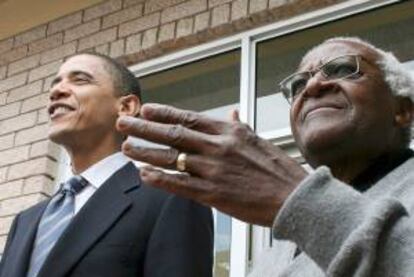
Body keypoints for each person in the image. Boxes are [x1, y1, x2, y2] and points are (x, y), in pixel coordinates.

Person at [115, 37, 414, 276]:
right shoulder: (279, 249)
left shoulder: (296, 207)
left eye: (341, 69)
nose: (312, 86)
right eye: (298, 85)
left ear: (403, 110)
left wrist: (299, 200)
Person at [0, 53, 213, 277]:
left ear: (126, 107)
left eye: (80, 80)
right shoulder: (25, 221)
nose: (56, 91)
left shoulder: (172, 197)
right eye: (56, 83)